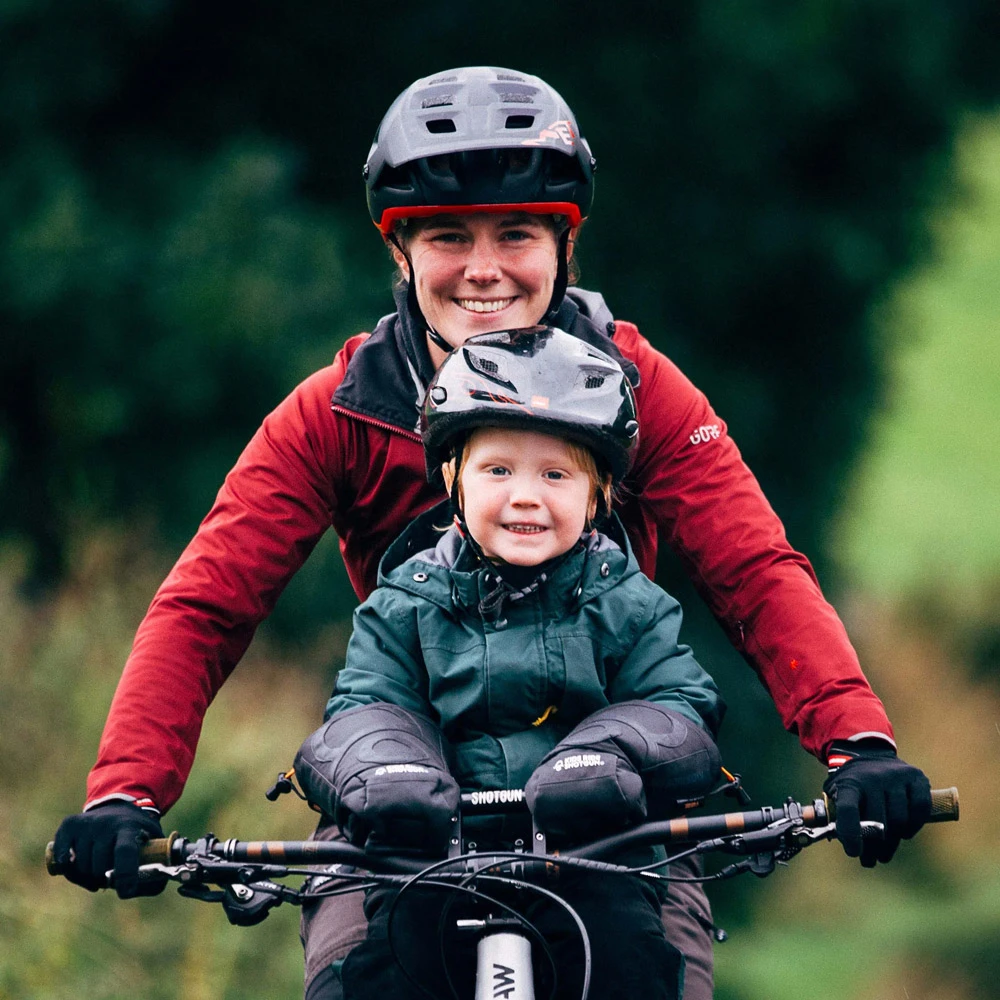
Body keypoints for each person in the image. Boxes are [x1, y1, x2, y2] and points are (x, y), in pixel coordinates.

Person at [52, 66, 932, 1000]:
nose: (484, 269)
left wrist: (857, 743)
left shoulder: (641, 391)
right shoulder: (335, 411)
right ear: (400, 251)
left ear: (563, 243)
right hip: (396, 810)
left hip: (615, 813)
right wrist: (127, 790)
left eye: (516, 233)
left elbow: (755, 571)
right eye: (447, 236)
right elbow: (207, 605)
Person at [294, 326, 725, 999]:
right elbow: (366, 706)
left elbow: (679, 705)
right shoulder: (403, 604)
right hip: (429, 862)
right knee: (376, 969)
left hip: (597, 860)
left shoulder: (630, 604)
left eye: (555, 474)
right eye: (498, 470)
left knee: (636, 966)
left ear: (597, 494)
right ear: (453, 480)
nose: (525, 495)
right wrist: (386, 769)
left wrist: (608, 756)